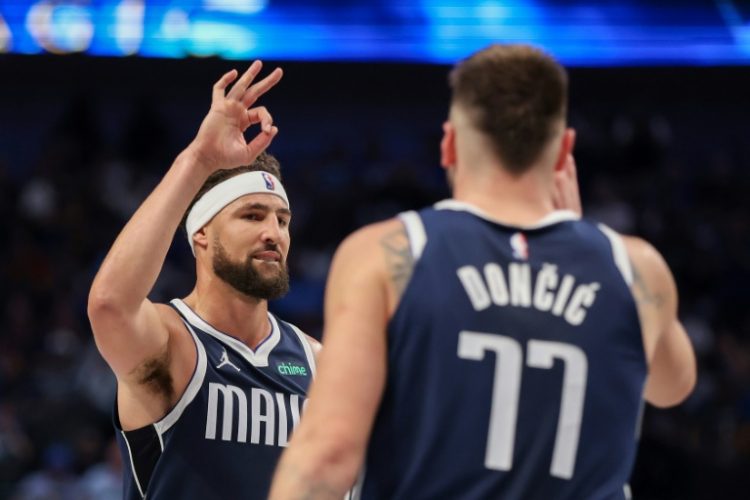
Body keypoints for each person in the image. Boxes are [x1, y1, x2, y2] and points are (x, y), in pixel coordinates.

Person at [269, 44, 696, 499]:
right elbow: (673, 387)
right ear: (564, 149)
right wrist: (581, 239)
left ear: (449, 143)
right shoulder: (635, 268)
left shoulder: (386, 253)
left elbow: (329, 456)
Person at [88, 61, 320, 500]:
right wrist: (198, 159)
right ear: (201, 234)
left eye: (283, 219)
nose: (273, 232)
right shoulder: (171, 344)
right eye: (252, 215)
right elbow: (109, 305)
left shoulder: (316, 362)